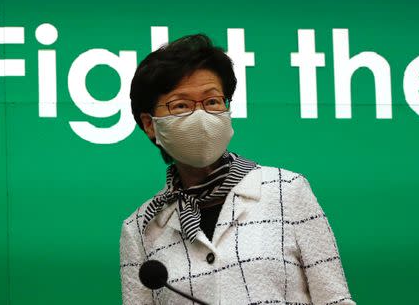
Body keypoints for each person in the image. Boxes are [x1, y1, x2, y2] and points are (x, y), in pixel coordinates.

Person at [119, 34, 355, 304]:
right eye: (181, 105)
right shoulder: (140, 227)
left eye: (212, 102)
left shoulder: (286, 191)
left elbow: (335, 299)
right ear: (150, 125)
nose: (201, 116)